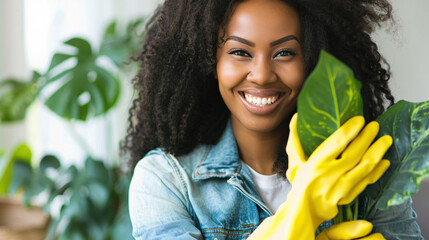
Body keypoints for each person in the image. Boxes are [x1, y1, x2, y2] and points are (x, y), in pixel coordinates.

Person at [124, 0, 424, 239]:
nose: (262, 74)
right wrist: (303, 209)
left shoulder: (365, 168)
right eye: (240, 52)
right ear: (209, 62)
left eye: (284, 53)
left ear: (312, 59)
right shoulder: (165, 179)